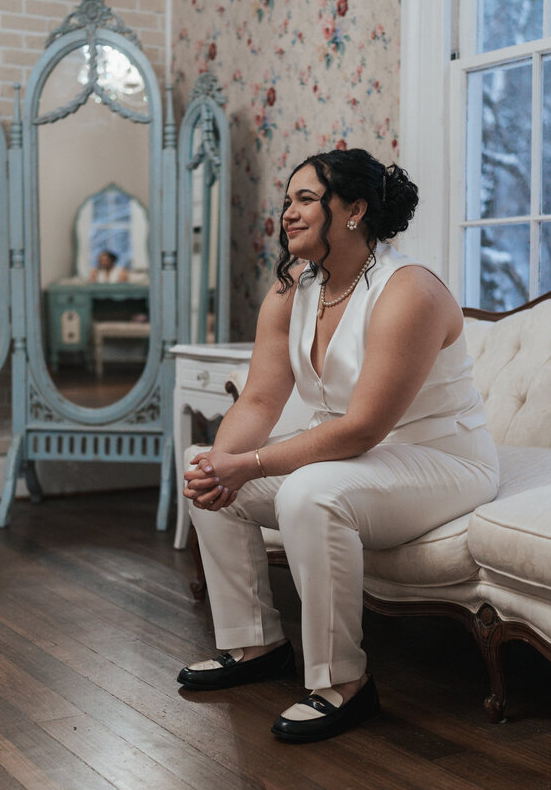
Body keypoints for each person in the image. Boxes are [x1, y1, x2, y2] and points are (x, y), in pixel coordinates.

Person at [178, 148, 499, 743]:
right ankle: (254, 646)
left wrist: (246, 465)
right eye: (287, 202)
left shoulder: (409, 291)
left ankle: (342, 685)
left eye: (305, 200)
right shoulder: (293, 287)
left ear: (354, 210)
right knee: (199, 463)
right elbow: (257, 402)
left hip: (440, 459)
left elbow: (362, 428)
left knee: (307, 492)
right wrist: (221, 468)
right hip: (348, 456)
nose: (287, 214)